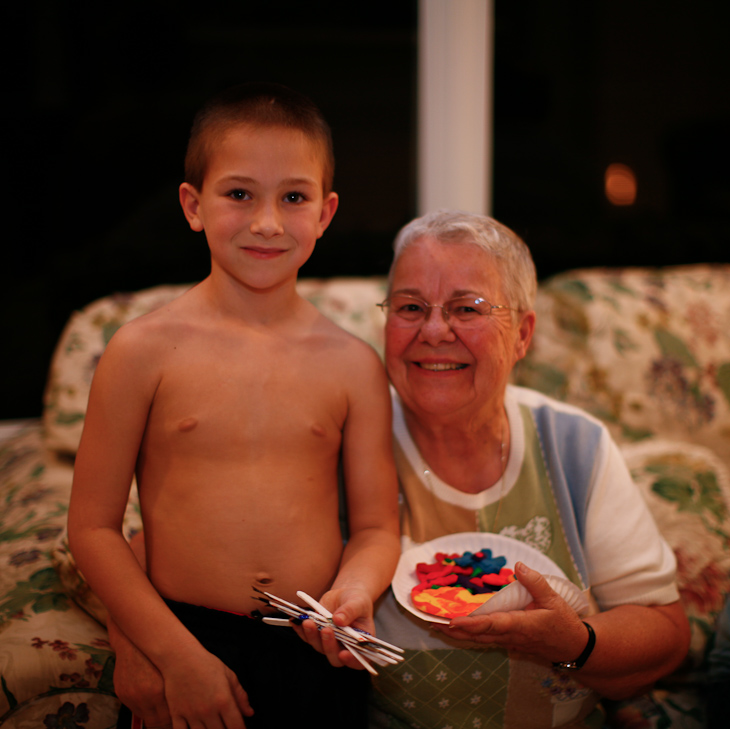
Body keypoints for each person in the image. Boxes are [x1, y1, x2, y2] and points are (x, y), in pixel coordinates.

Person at [67, 82, 400, 729]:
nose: (267, 221)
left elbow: (376, 527)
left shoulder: (354, 364)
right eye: (240, 193)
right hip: (185, 638)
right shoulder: (140, 350)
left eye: (294, 197)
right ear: (193, 205)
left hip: (314, 641)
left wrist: (354, 590)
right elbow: (94, 528)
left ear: (326, 213)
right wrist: (173, 654)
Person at [302, 210, 691, 729]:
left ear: (523, 335)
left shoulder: (574, 444)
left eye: (467, 308)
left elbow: (666, 633)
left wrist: (575, 645)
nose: (434, 331)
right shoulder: (341, 442)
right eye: (411, 307)